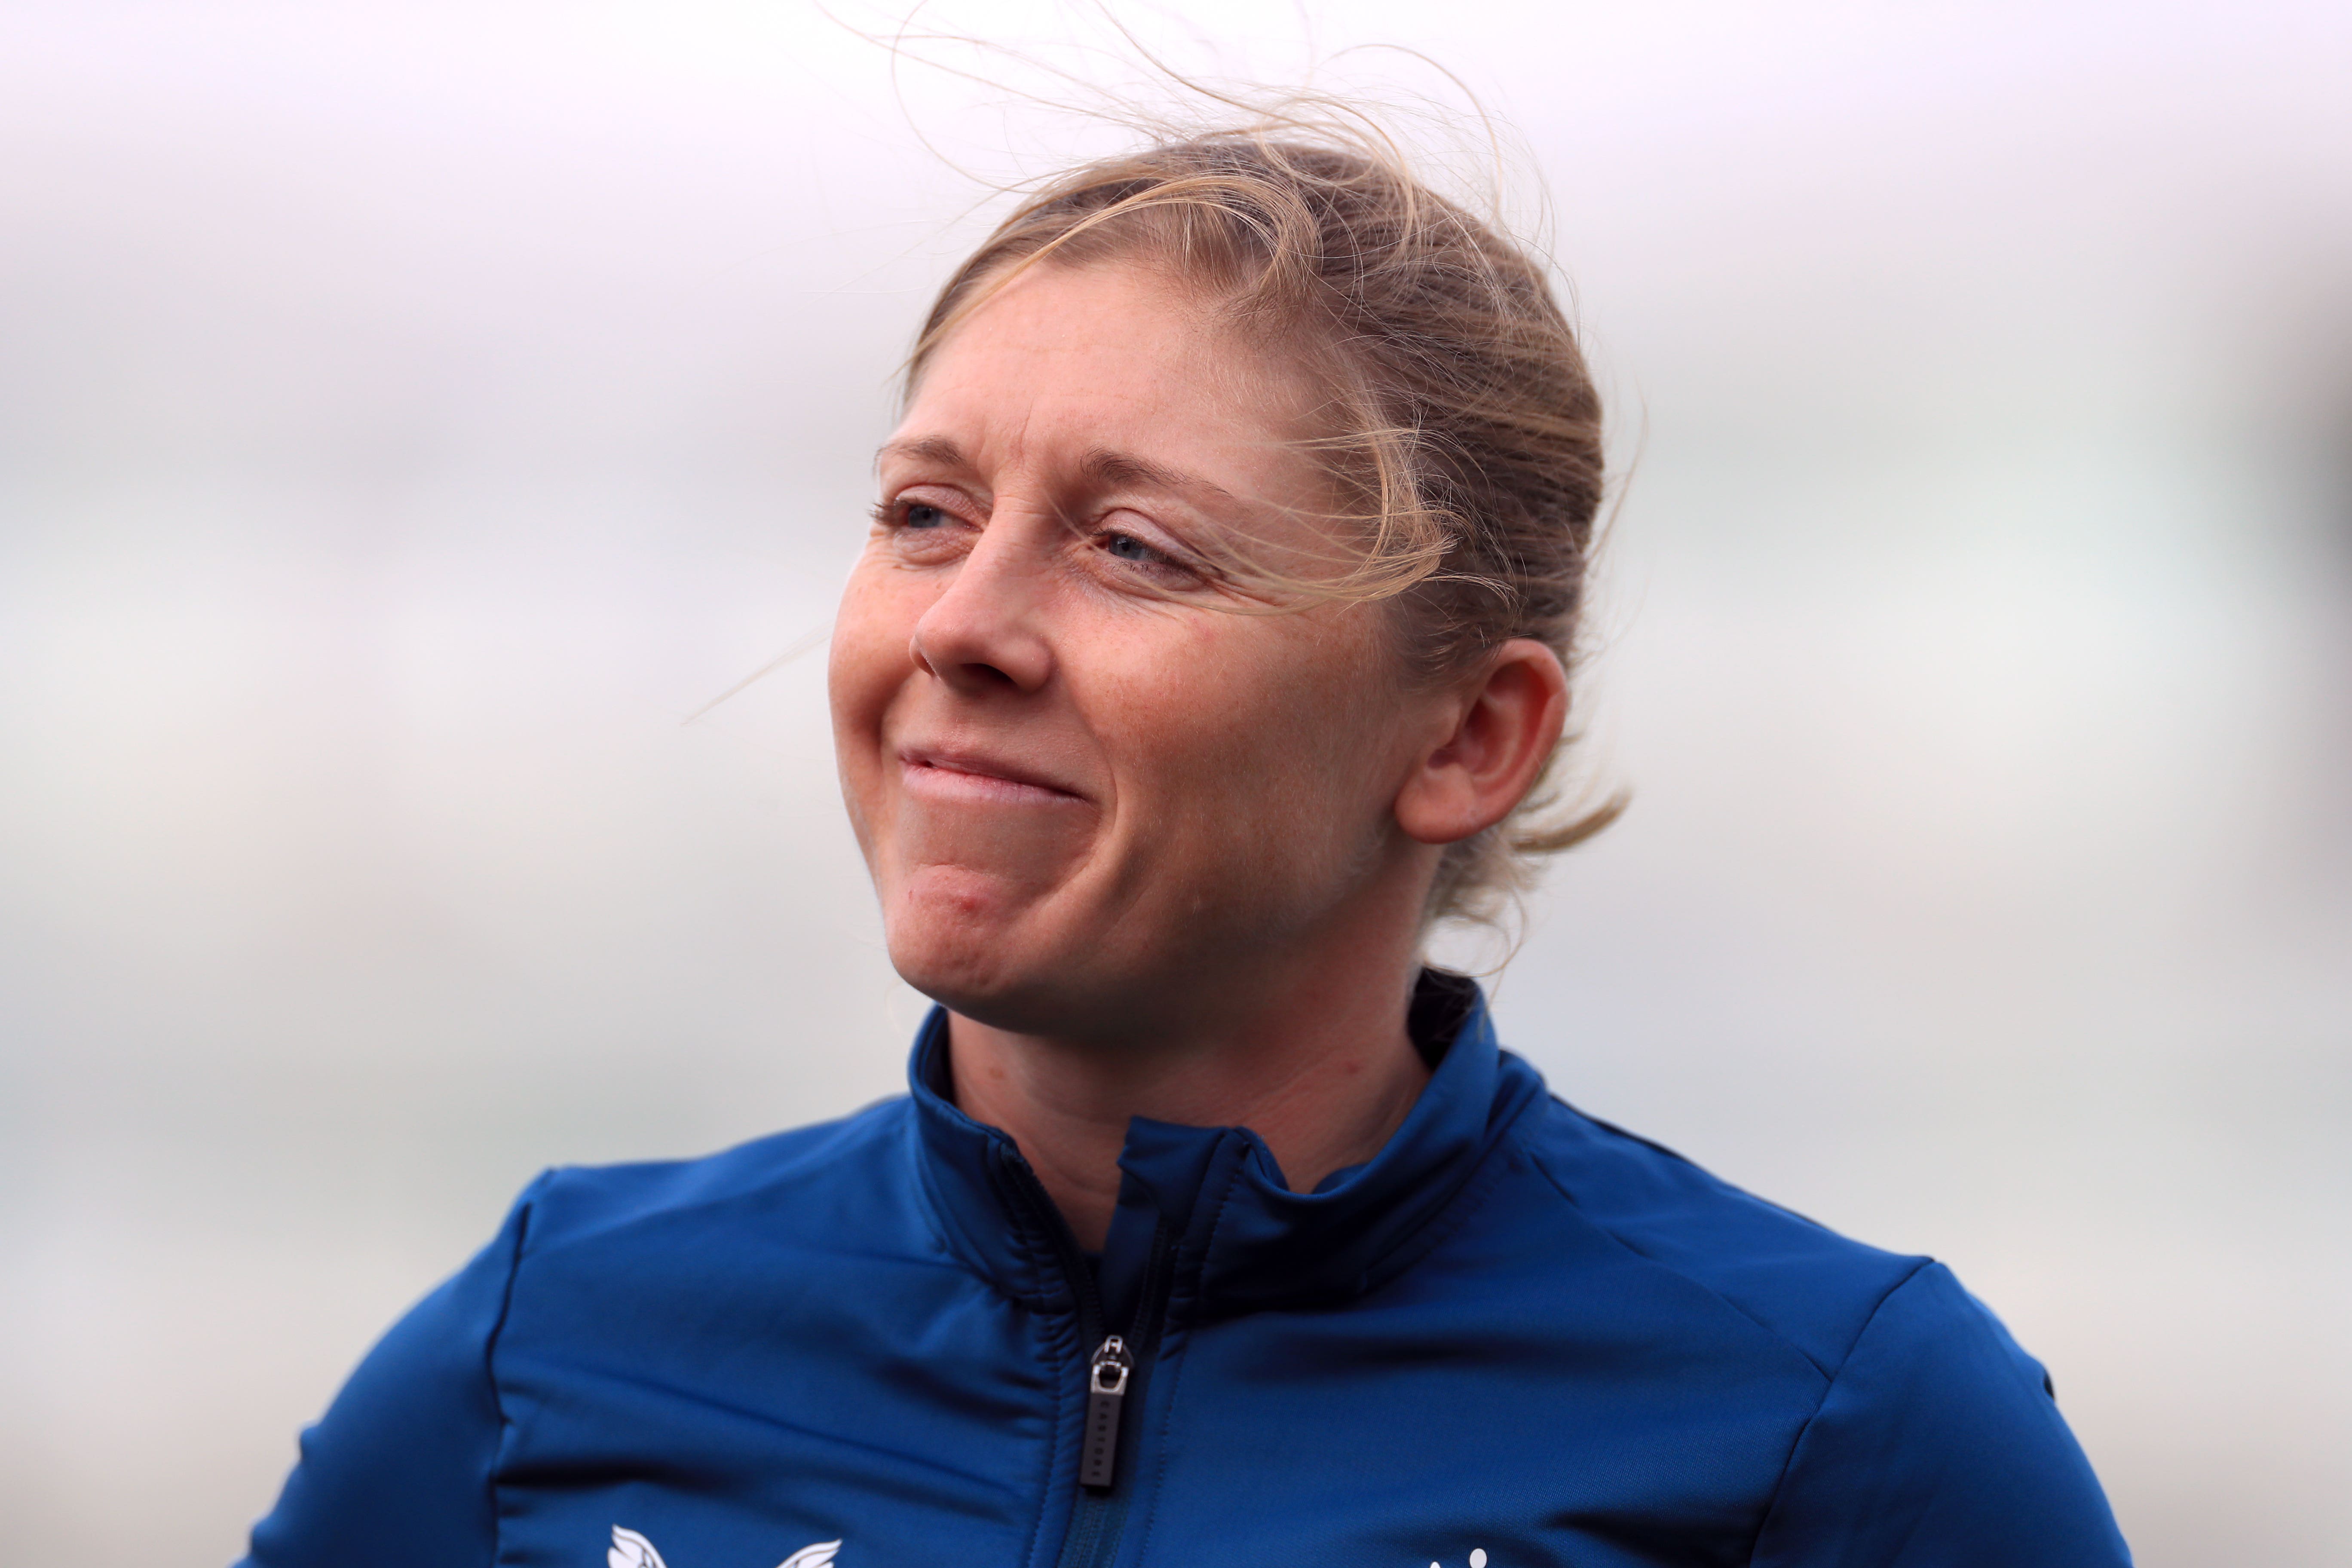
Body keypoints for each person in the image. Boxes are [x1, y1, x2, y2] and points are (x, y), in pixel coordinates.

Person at [239, 125, 2133, 1568]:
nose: (960, 625)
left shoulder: (1837, 1428)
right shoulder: (550, 1349)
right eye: (923, 511)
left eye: (1134, 547)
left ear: (1467, 736)